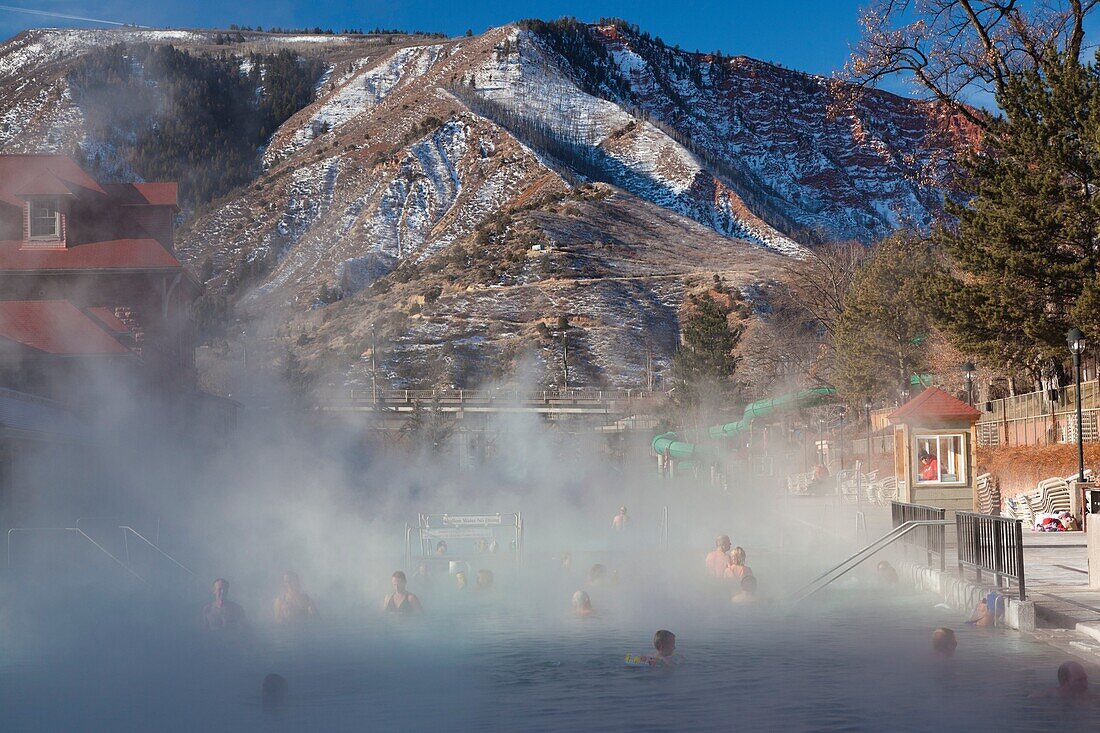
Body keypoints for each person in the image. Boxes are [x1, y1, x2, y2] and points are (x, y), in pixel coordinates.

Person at [1031, 661, 1099, 703]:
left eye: (1085, 678)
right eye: (1079, 680)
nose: (1085, 683)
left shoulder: (1091, 699)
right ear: (1065, 682)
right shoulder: (1046, 696)